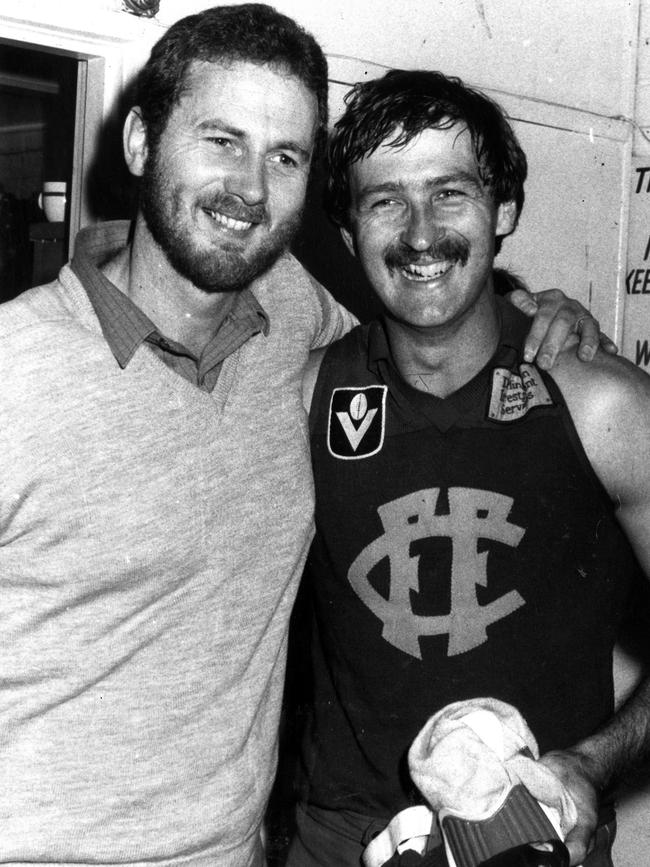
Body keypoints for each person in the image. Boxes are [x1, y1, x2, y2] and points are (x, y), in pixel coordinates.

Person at [0, 7, 608, 867]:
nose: (250, 188)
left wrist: (543, 311)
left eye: (284, 156)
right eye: (220, 140)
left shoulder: (294, 320)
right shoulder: (12, 374)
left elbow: (428, 301)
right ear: (139, 142)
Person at [288, 69, 650, 867]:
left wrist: (593, 764)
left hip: (537, 836)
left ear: (505, 210)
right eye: (385, 200)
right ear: (348, 230)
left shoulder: (601, 404)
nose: (420, 232)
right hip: (341, 842)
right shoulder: (303, 398)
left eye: (451, 192)